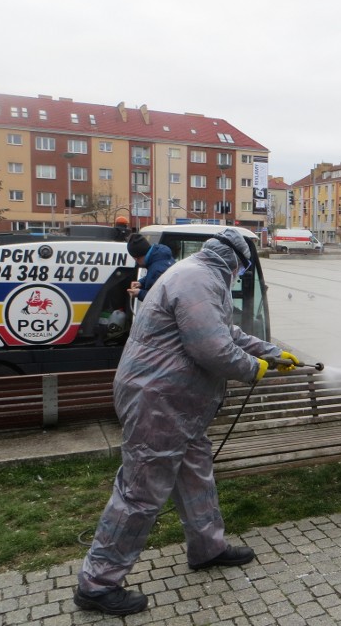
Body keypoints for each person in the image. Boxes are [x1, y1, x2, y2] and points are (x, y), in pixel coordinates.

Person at [74, 228, 299, 616]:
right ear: (234, 262)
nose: (240, 276)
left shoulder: (197, 274)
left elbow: (221, 331)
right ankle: (98, 582)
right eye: (242, 270)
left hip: (179, 403)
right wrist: (254, 369)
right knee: (140, 493)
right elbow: (211, 348)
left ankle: (208, 547)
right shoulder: (198, 279)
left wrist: (272, 352)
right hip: (157, 400)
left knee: (196, 473)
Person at [126, 233, 176, 301]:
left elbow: (158, 300)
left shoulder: (157, 270)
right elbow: (155, 277)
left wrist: (139, 293)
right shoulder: (161, 256)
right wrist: (141, 282)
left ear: (136, 258)